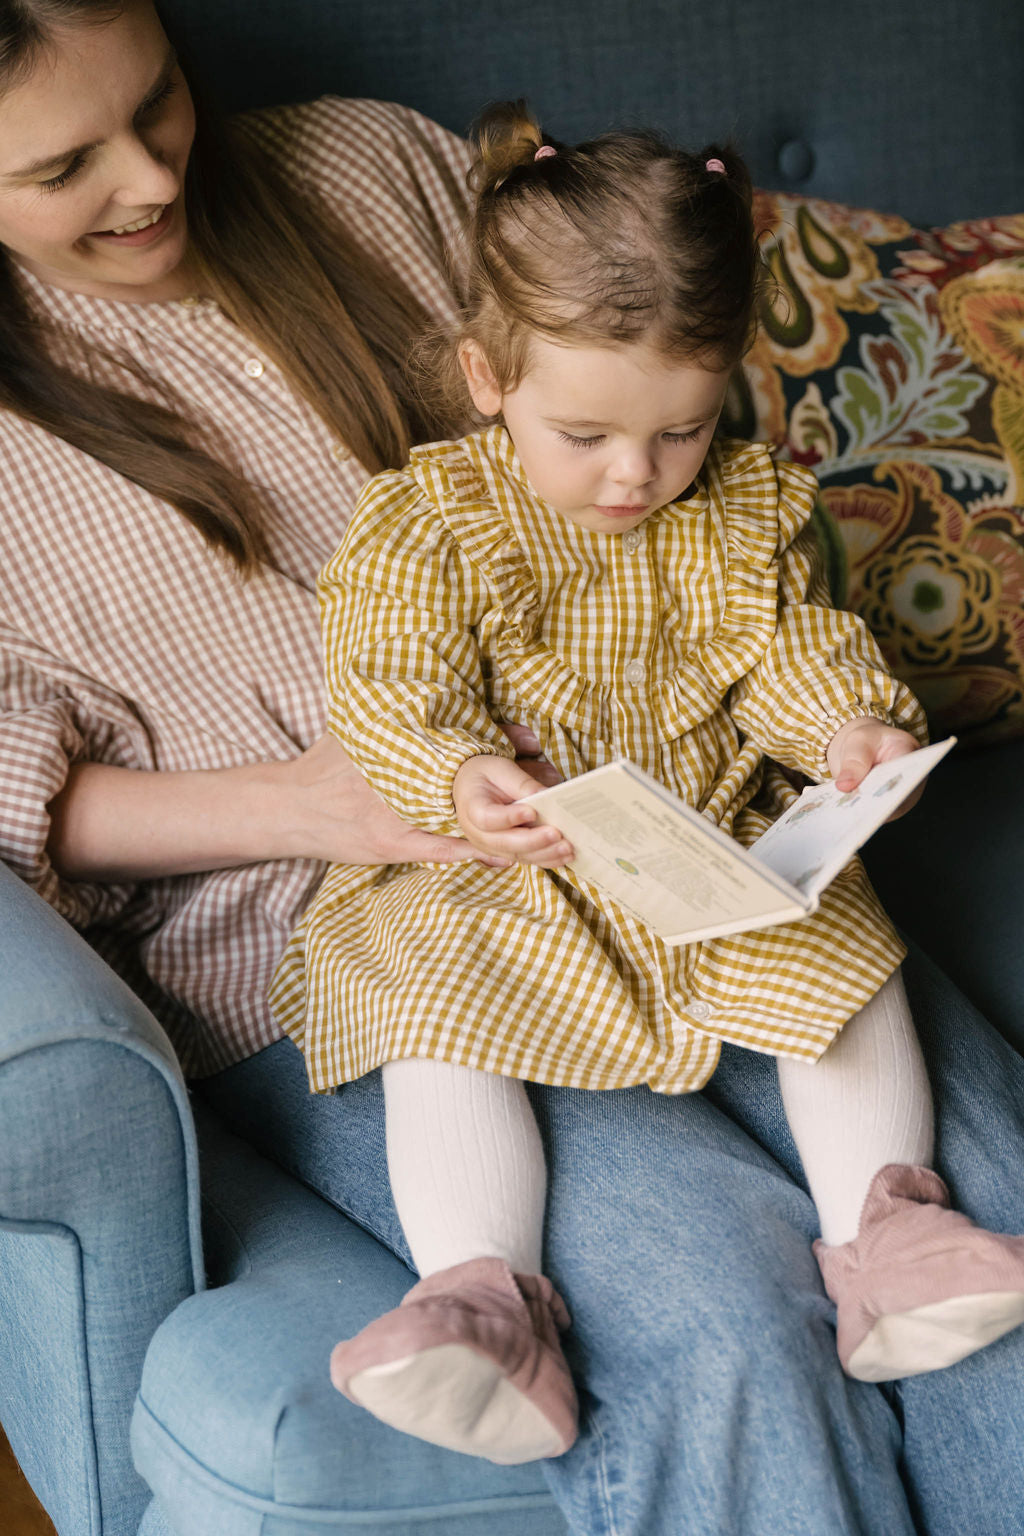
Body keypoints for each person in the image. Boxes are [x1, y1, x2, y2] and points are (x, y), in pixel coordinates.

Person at [0, 4, 1023, 1533]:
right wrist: (320, 799)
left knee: (987, 1223)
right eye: (62, 166)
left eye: (157, 104)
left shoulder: (366, 168)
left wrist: (837, 731)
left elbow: (664, 415)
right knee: (724, 1326)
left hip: (683, 835)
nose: (152, 178)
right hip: (370, 925)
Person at [268, 101, 1024, 1464]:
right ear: (488, 377)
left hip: (705, 836)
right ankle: (482, 1298)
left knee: (839, 951)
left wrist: (848, 731)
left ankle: (888, 1236)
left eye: (681, 430)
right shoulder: (431, 521)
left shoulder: (742, 507)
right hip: (512, 867)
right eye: (587, 435)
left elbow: (788, 648)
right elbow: (387, 683)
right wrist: (460, 771)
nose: (636, 475)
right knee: (430, 1003)